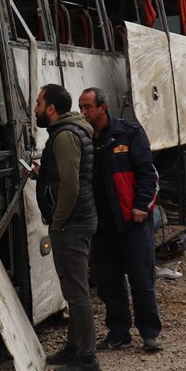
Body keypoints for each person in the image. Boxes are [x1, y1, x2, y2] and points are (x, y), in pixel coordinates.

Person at [78, 87, 163, 352]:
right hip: (102, 227)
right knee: (108, 282)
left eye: (87, 107)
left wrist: (141, 207)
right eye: (81, 107)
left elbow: (149, 175)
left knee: (141, 280)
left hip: (132, 223)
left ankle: (150, 334)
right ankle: (118, 333)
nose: (83, 112)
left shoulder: (129, 133)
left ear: (102, 108)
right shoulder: (84, 138)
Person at [30, 84, 101, 371]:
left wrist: (58, 222)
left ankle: (87, 359)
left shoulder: (65, 136)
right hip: (74, 221)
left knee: (77, 292)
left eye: (38, 103)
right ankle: (73, 349)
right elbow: (65, 175)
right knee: (73, 290)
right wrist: (40, 173)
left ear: (51, 109)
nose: (35, 109)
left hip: (71, 224)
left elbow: (71, 185)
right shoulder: (66, 133)